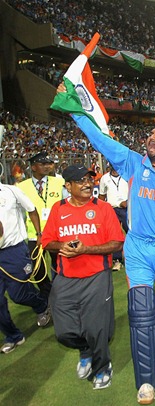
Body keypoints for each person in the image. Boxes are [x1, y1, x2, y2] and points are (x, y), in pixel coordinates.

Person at [58, 82, 155, 405]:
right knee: (140, 312)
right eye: (149, 135)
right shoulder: (134, 163)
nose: (150, 138)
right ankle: (147, 382)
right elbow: (101, 140)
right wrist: (75, 112)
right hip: (137, 247)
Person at [42, 165, 124, 390]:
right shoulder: (58, 209)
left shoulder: (104, 208)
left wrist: (85, 249)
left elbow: (117, 242)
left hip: (97, 276)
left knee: (96, 328)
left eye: (90, 179)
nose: (88, 184)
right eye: (80, 181)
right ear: (68, 186)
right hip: (65, 277)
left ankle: (102, 367)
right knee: (63, 332)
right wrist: (62, 245)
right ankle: (85, 349)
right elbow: (47, 241)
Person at [0, 182, 51, 354]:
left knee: (18, 294)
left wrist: (38, 233)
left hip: (13, 250)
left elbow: (31, 209)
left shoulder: (11, 191)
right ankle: (13, 336)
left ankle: (42, 305)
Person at [18, 151, 66, 298]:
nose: (47, 166)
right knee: (37, 269)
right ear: (33, 167)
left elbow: (66, 205)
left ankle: (61, 293)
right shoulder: (21, 187)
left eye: (48, 163)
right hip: (34, 235)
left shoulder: (59, 182)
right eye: (42, 164)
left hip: (57, 233)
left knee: (61, 265)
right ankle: (48, 294)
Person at [98, 164, 129, 270]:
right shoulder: (104, 178)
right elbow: (101, 196)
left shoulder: (127, 176)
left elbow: (135, 191)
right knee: (114, 236)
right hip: (112, 209)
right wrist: (102, 211)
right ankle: (117, 260)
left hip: (127, 209)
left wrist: (129, 202)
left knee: (131, 233)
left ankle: (133, 258)